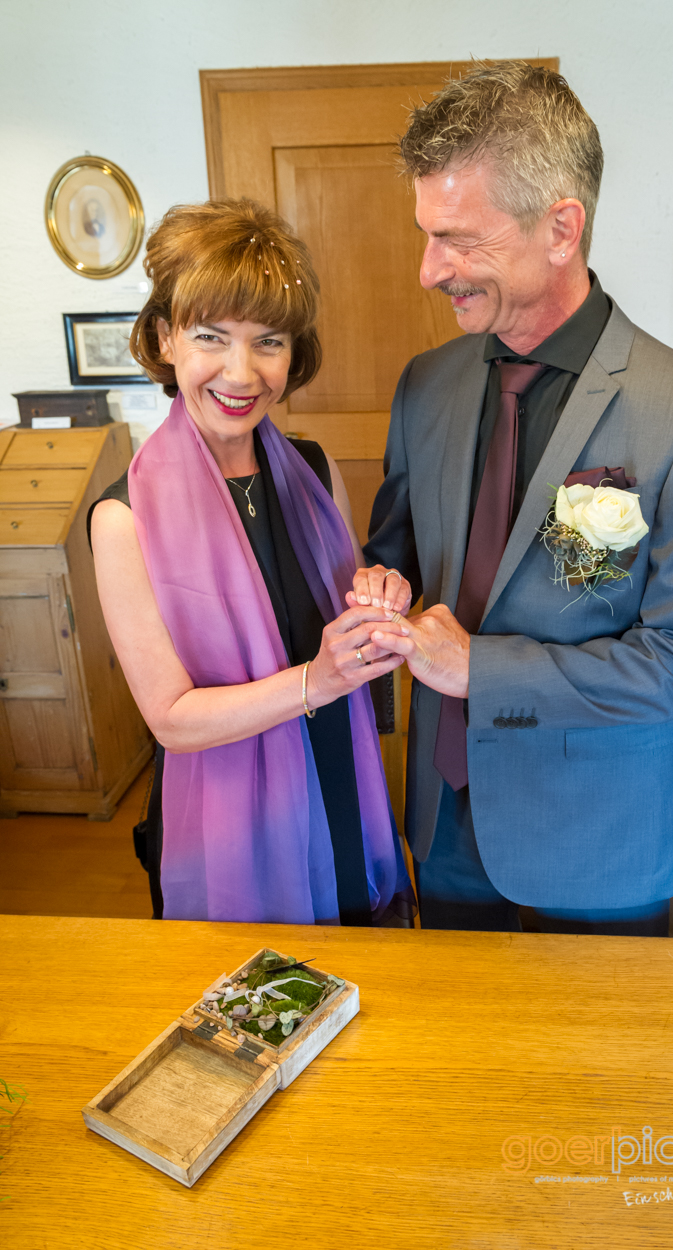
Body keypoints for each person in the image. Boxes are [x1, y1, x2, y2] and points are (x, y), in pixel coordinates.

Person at [354, 62, 673, 936]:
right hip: (442, 822)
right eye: (427, 235)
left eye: (458, 239)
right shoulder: (425, 385)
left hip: (598, 846)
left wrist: (480, 670)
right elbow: (396, 551)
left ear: (561, 227)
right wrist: (377, 585)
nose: (429, 271)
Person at [90, 198, 413, 926]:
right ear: (167, 338)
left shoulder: (313, 466)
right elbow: (171, 719)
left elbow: (338, 612)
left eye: (268, 341)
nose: (242, 373)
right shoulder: (123, 519)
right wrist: (318, 678)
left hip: (339, 771)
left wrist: (375, 598)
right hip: (228, 815)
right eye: (211, 336)